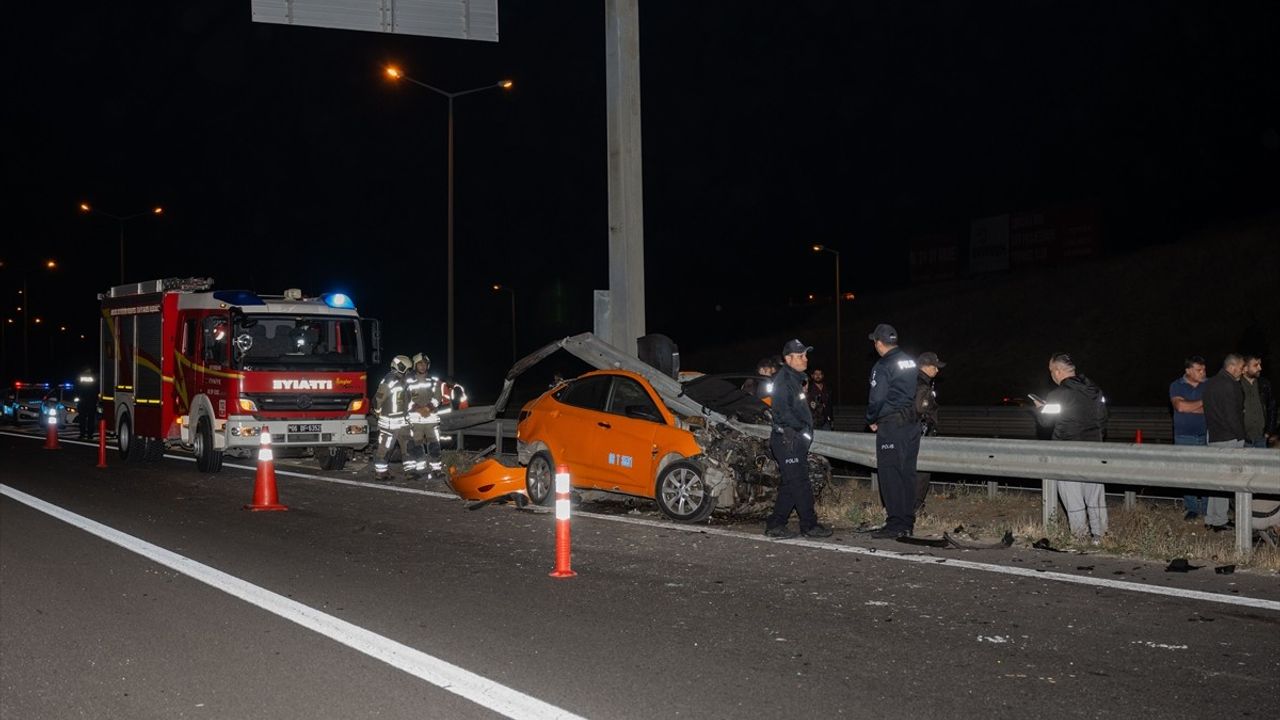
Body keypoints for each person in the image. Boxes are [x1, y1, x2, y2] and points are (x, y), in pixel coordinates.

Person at [1033, 353, 1109, 542]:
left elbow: (1045, 421)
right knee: (1094, 494)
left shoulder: (1058, 394)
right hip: (1095, 448)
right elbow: (1103, 417)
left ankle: (1080, 537)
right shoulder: (1095, 389)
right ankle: (1101, 536)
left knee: (1072, 496)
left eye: (1051, 371)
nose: (1051, 375)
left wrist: (1040, 408)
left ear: (1058, 371)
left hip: (1067, 450)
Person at [764, 339, 832, 539]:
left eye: (805, 355)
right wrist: (798, 431)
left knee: (790, 483)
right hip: (788, 440)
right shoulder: (784, 380)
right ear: (788, 358)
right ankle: (809, 525)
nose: (805, 359)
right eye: (800, 356)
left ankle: (776, 523)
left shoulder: (794, 379)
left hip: (793, 439)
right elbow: (782, 412)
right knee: (800, 483)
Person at [865, 323, 921, 539]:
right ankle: (907, 521)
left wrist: (871, 418)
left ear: (879, 343)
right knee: (907, 474)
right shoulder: (909, 360)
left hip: (892, 425)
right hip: (911, 425)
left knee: (890, 475)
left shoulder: (883, 365)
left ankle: (896, 524)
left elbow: (877, 397)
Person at [1201, 354, 1247, 529]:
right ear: (1232, 366)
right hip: (1229, 438)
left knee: (1216, 479)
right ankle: (1219, 520)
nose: (1242, 371)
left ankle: (1211, 518)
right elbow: (1232, 415)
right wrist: (1241, 436)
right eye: (1241, 367)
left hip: (1213, 436)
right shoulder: (1230, 384)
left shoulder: (1210, 383)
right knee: (1225, 481)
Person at [1169, 356, 1208, 520]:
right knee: (1187, 473)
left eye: (1204, 369)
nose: (1203, 372)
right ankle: (1192, 508)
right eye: (1199, 370)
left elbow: (1212, 409)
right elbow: (1179, 406)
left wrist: (1189, 406)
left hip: (1206, 435)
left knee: (1207, 473)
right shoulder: (1176, 385)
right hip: (1184, 436)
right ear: (1188, 371)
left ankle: (1207, 509)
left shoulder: (1209, 384)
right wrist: (1203, 403)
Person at [372, 355, 414, 480]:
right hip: (389, 422)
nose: (408, 372)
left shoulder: (404, 380)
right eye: (407, 369)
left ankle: (410, 471)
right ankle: (381, 473)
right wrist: (378, 412)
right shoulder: (389, 380)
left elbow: (408, 399)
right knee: (385, 448)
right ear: (401, 367)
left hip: (403, 421)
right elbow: (377, 400)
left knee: (408, 446)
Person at [913, 351, 945, 514]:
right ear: (925, 366)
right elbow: (921, 409)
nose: (937, 370)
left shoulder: (911, 379)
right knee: (922, 471)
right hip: (921, 433)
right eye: (935, 367)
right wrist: (929, 423)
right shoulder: (922, 385)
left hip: (911, 432)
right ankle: (916, 505)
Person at [406, 353, 445, 479]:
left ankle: (436, 470)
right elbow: (405, 399)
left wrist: (428, 408)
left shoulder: (434, 381)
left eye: (424, 364)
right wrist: (418, 408)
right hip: (415, 420)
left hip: (431, 419)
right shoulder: (408, 381)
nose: (422, 366)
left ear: (428, 365)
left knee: (434, 445)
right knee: (415, 446)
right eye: (419, 364)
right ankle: (418, 470)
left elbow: (438, 398)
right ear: (415, 365)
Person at [1241, 354, 1275, 449]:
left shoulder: (1264, 384)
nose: (1260, 368)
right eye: (1255, 365)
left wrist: (1269, 431)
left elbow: (1271, 408)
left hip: (1261, 438)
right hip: (1243, 440)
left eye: (1260, 364)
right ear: (1245, 368)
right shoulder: (1237, 385)